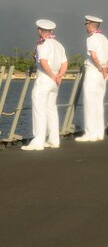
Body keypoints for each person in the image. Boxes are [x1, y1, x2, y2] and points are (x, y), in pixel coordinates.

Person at [22, 19, 67, 151]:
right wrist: (59, 76)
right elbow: (65, 64)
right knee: (51, 110)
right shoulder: (59, 45)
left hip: (44, 79)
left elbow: (43, 62)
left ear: (40, 31)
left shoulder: (43, 45)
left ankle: (38, 141)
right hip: (55, 81)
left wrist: (52, 76)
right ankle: (54, 140)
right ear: (51, 31)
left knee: (39, 110)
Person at [77, 15, 108, 142]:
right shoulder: (104, 38)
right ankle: (99, 133)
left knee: (90, 102)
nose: (86, 27)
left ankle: (90, 134)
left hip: (93, 71)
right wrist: (105, 68)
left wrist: (99, 67)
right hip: (102, 74)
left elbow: (93, 55)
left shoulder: (91, 39)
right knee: (98, 103)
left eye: (87, 24)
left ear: (91, 25)